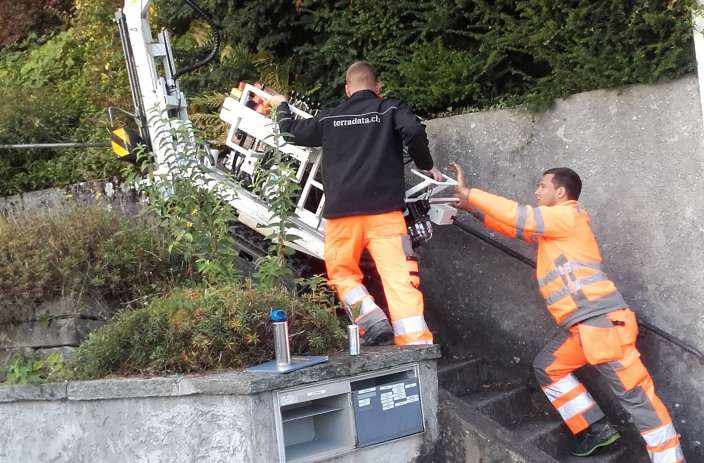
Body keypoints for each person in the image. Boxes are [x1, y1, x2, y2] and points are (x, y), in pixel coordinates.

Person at [449, 163, 685, 462]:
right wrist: (471, 208)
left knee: (638, 400)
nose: (537, 191)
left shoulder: (566, 215)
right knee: (548, 368)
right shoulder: (555, 227)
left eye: (542, 186)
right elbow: (516, 228)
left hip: (601, 324)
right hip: (585, 327)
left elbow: (519, 215)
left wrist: (470, 193)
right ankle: (595, 428)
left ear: (560, 192)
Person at [268, 61, 441, 346]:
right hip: (385, 215)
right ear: (378, 88)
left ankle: (371, 318)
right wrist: (427, 164)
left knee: (342, 273)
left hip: (342, 217)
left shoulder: (330, 117)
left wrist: (282, 105)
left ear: (348, 89)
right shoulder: (390, 109)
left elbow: (290, 133)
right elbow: (413, 130)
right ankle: (415, 341)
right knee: (399, 278)